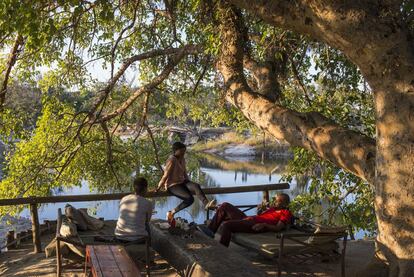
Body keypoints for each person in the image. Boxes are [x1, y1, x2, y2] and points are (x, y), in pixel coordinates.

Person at [156, 141, 216, 222]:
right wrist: (158, 187)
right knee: (190, 199)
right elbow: (165, 175)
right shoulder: (171, 160)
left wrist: (189, 183)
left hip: (182, 182)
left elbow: (184, 173)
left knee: (196, 186)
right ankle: (172, 212)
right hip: (172, 185)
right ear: (175, 150)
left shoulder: (182, 159)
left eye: (184, 151)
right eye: (181, 151)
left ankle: (206, 204)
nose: (183, 153)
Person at [206, 193, 292, 247]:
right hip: (248, 218)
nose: (275, 202)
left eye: (279, 201)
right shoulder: (272, 209)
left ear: (285, 203)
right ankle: (209, 232)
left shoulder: (285, 213)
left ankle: (222, 250)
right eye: (276, 200)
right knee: (225, 205)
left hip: (255, 225)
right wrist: (260, 210)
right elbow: (260, 215)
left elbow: (278, 228)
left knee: (226, 225)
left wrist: (264, 225)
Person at [115, 176, 154, 242]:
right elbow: (147, 221)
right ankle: (149, 247)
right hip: (137, 239)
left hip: (119, 237)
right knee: (147, 227)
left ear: (134, 188)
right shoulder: (147, 203)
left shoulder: (124, 199)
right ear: (145, 189)